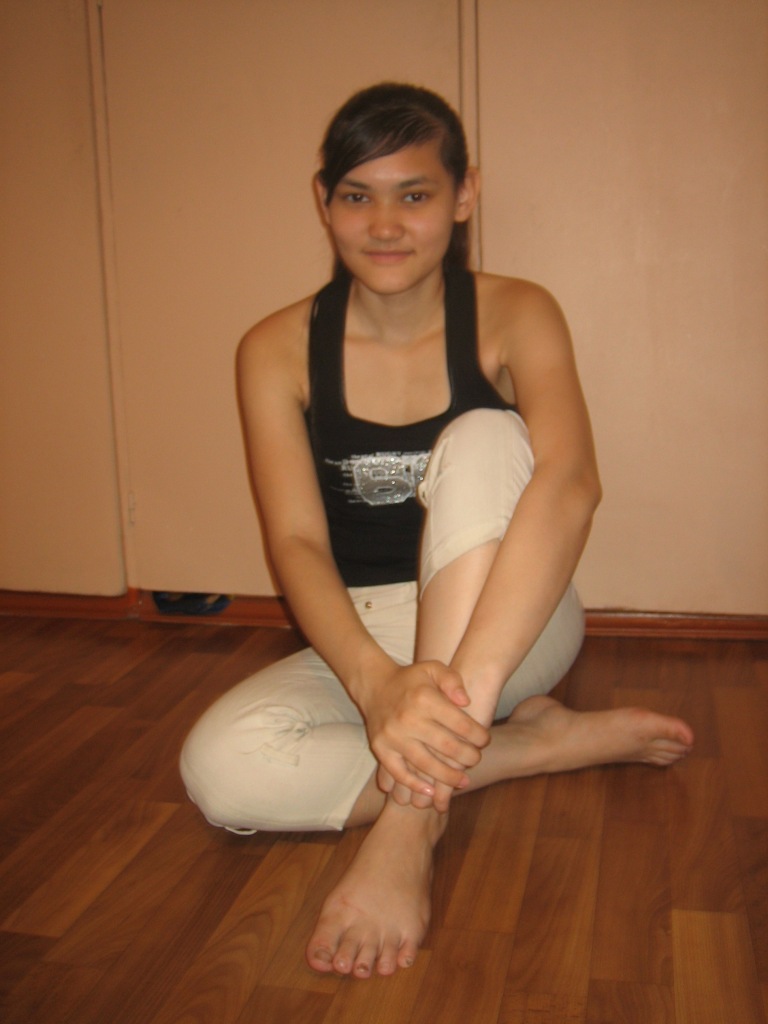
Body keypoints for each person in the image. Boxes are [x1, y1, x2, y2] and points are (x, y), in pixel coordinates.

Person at [180, 82, 693, 979]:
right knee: (221, 772)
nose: (384, 225)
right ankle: (528, 745)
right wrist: (377, 684)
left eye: (414, 194)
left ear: (464, 196)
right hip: (368, 634)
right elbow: (297, 543)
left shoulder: (516, 312)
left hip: (514, 621)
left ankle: (414, 820)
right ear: (324, 201)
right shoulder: (274, 349)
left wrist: (417, 723)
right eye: (357, 195)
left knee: (487, 434)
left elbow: (571, 483)